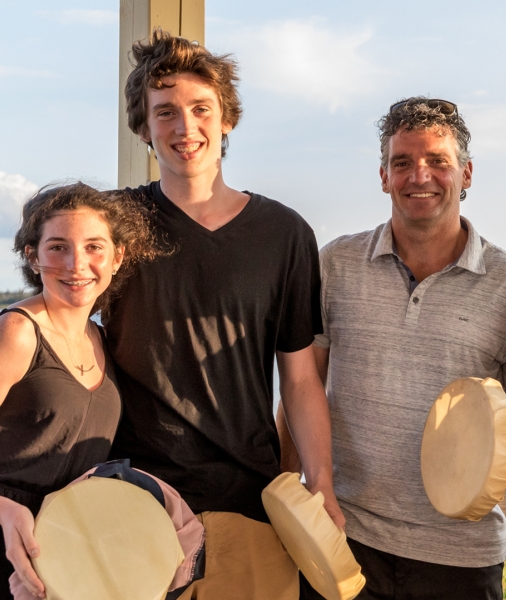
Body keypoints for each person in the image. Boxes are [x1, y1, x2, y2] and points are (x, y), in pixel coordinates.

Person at [102, 31, 343, 599]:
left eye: (200, 109)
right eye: (165, 113)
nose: (185, 128)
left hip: (251, 502)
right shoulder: (113, 225)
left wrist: (322, 483)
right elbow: (62, 330)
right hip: (136, 498)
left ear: (226, 118)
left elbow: (301, 376)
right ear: (144, 129)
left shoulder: (284, 234)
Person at [279, 97, 506, 599]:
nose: (419, 175)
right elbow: (299, 385)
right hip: (342, 535)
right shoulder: (335, 264)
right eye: (402, 163)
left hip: (460, 558)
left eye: (437, 162)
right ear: (383, 176)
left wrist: (471, 455)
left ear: (466, 173)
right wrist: (293, 497)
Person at [0, 182, 157, 600]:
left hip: (65, 558)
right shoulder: (17, 332)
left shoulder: (104, 340)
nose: (77, 264)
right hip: (7, 543)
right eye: (57, 248)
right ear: (33, 257)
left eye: (93, 247)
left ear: (117, 256)